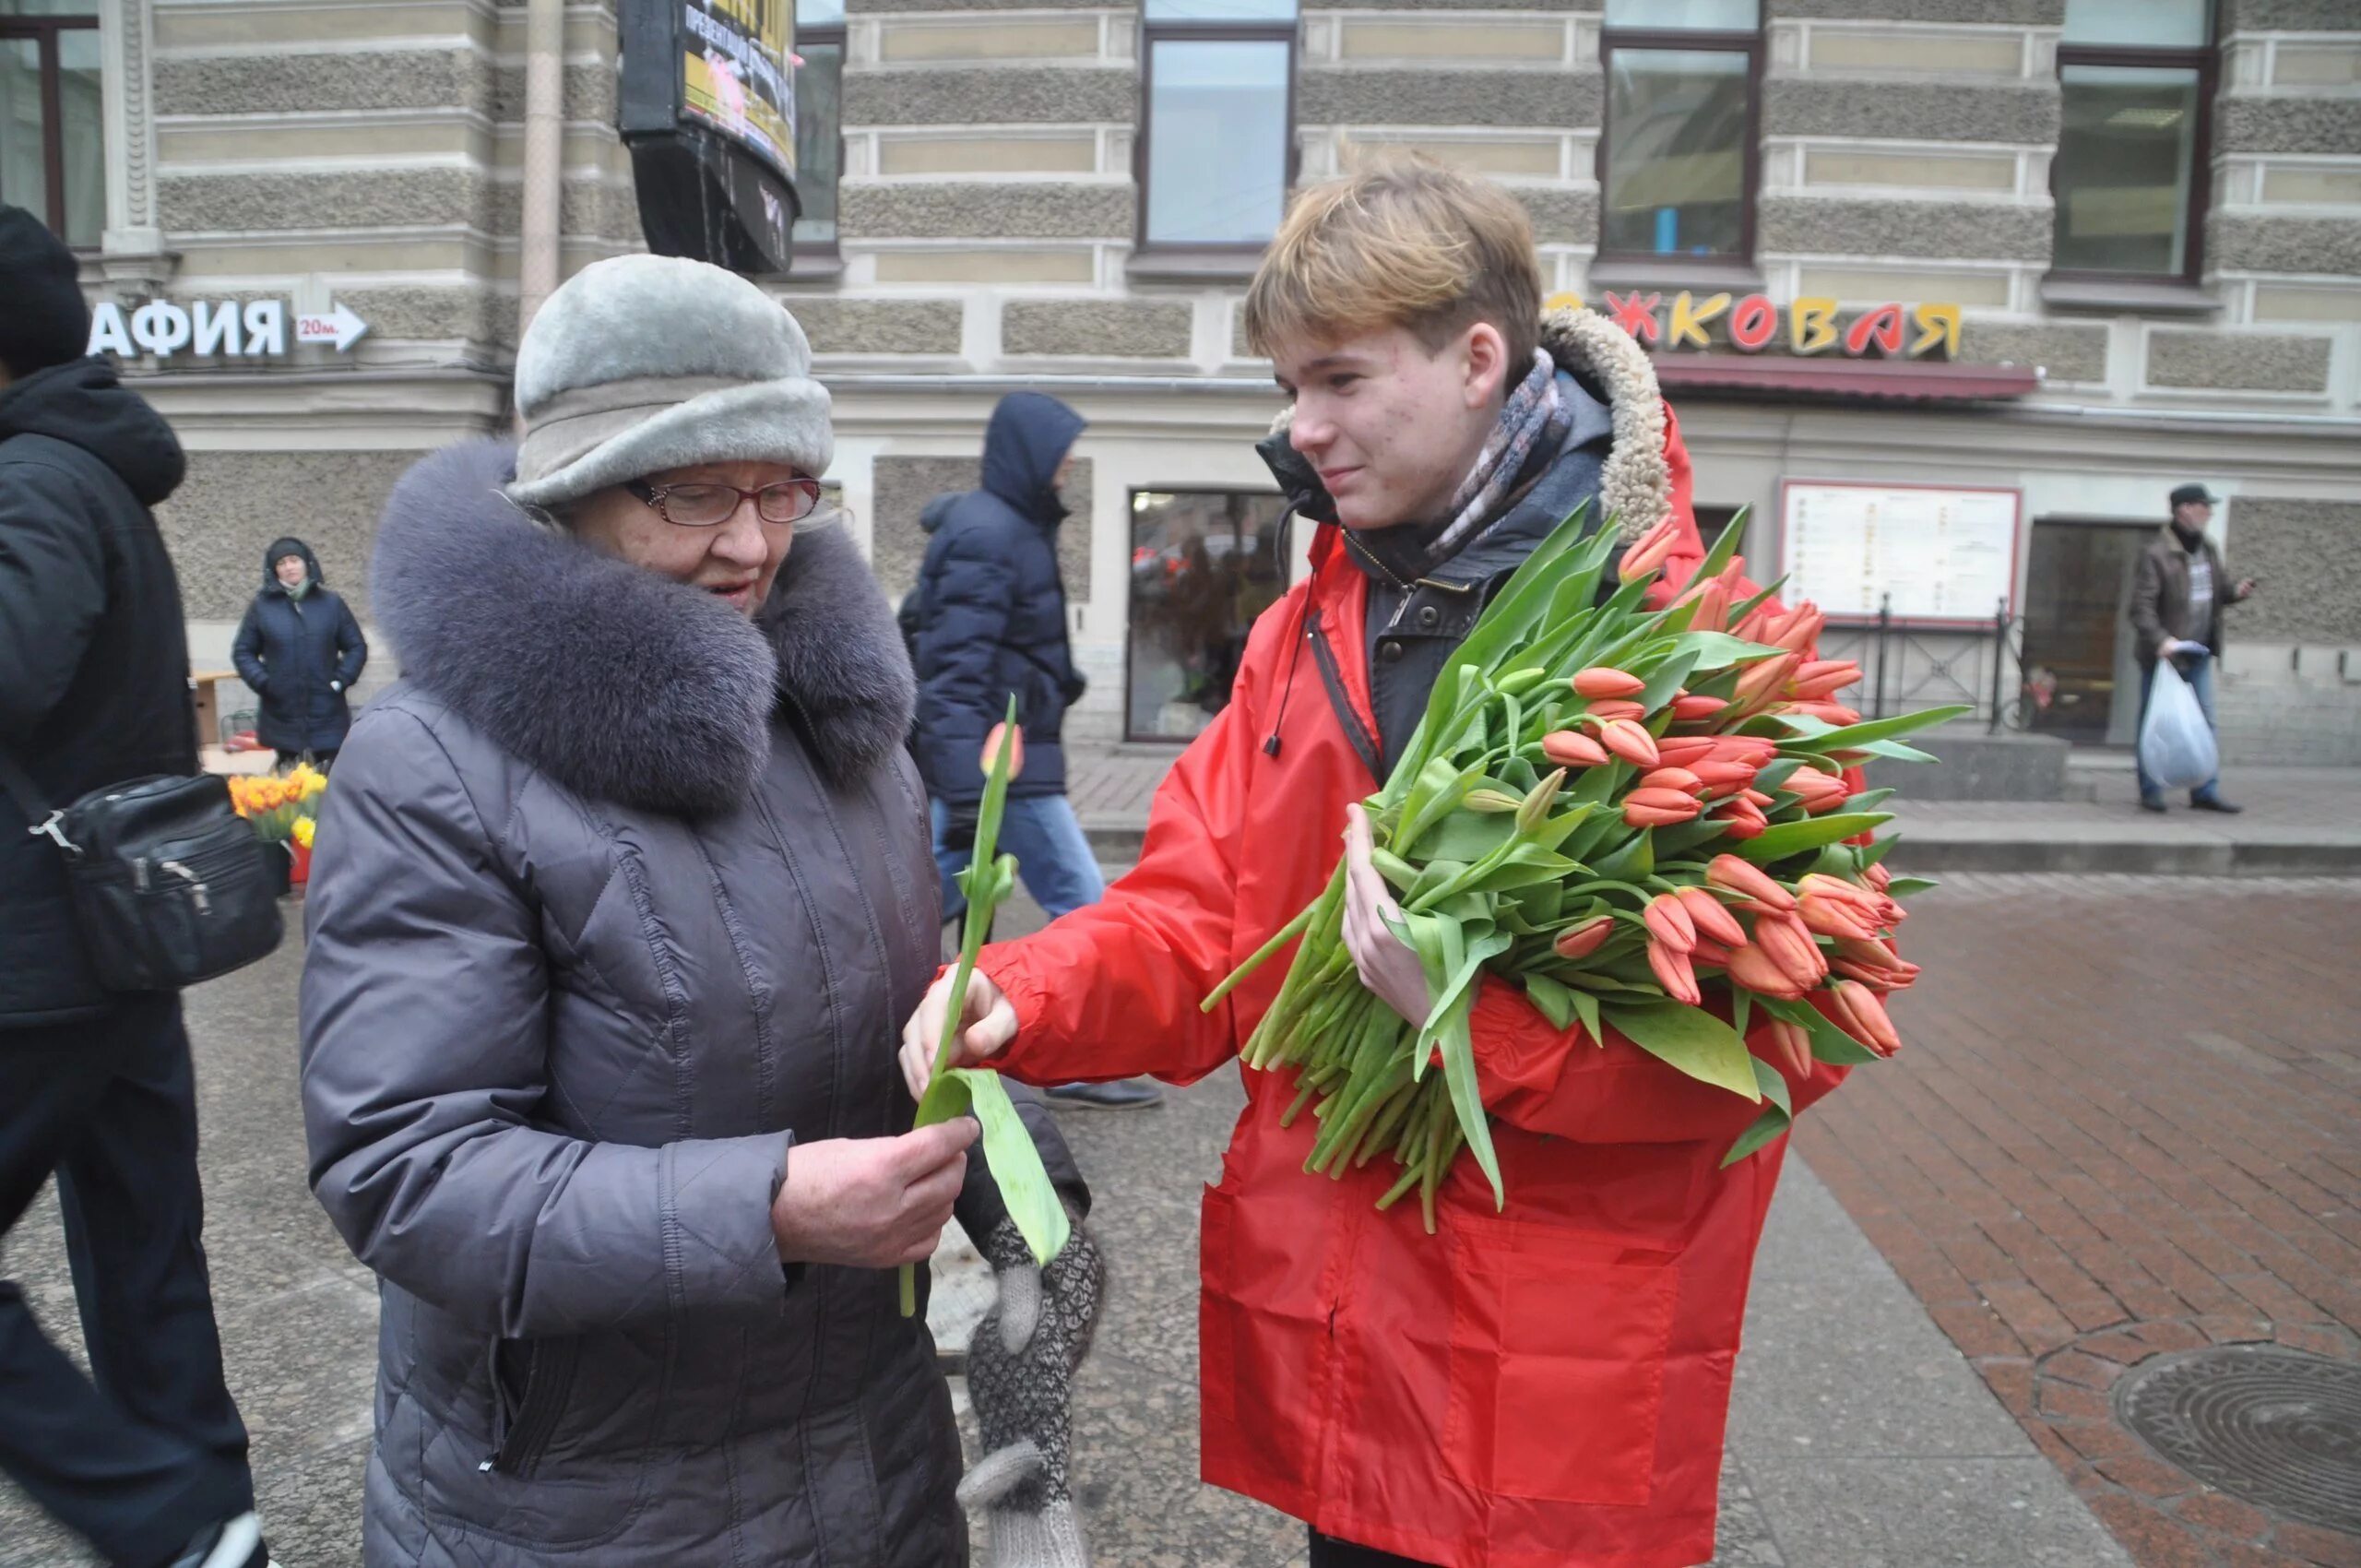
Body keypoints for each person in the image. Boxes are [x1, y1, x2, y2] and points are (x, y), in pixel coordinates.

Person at [902, 158, 1852, 1568]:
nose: (1306, 428)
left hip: (1552, 1379)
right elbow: (1197, 923)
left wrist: (1476, 1023)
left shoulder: (1689, 643)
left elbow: (1781, 1042)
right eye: (1291, 388)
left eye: (1337, 380)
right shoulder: (1309, 631)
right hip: (1355, 1348)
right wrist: (1022, 997)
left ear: (1478, 358)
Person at [299, 254, 1100, 1566]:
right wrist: (768, 1209)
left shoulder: (844, 726)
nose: (750, 543)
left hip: (879, 1466)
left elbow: (912, 1012)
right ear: (567, 488)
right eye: (693, 492)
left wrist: (1020, 1183)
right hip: (583, 1509)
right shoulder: (432, 762)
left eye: (783, 490)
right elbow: (406, 1170)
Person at [0, 205, 271, 1568]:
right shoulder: (84, 472)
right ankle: (217, 1526)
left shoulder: (38, 480)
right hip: (113, 939)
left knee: (145, 1253)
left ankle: (163, 1519)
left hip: (40, 962)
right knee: (141, 1254)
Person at [908, 390, 1162, 1111]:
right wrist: (966, 791)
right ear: (1030, 452)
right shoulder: (992, 533)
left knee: (913, 904)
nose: (1070, 465)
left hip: (1003, 761)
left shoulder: (1011, 528)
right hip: (1000, 770)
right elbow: (954, 670)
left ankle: (883, 1024)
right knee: (1084, 904)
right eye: (1061, 450)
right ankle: (1071, 1059)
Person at [2130, 483, 2254, 814]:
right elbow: (2140, 608)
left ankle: (2205, 791)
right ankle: (2151, 790)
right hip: (2165, 656)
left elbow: (2216, 591)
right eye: (2204, 506)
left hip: (2198, 651)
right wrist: (2161, 641)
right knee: (2156, 725)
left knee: (2205, 723)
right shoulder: (2156, 553)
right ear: (2184, 509)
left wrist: (2235, 592)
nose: (2210, 512)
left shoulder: (2208, 548)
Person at [230, 535, 368, 768]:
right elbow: (243, 651)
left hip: (327, 715)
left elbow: (356, 647)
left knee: (330, 784)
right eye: (281, 563)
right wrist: (265, 683)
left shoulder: (331, 604)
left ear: (307, 563)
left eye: (294, 560)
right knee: (290, 794)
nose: (289, 567)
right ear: (275, 571)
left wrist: (340, 680)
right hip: (282, 716)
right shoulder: (262, 607)